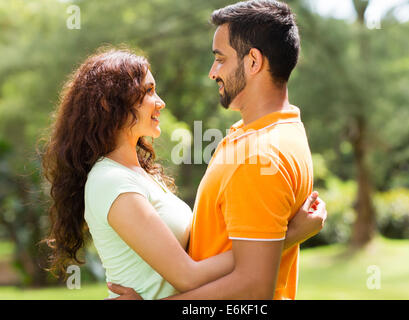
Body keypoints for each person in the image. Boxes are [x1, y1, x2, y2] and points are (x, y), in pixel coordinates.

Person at [41, 46, 325, 300]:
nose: (160, 101)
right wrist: (286, 237)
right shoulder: (110, 182)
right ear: (108, 105)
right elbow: (187, 275)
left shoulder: (140, 174)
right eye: (148, 91)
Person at [109, 0, 325, 300]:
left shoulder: (259, 156)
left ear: (253, 62)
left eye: (220, 59)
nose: (213, 72)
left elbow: (252, 289)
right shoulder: (275, 130)